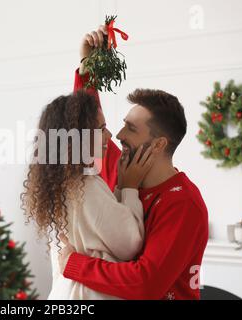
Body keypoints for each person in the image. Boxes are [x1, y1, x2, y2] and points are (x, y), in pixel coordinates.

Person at [56, 25, 209, 300]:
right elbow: (87, 129)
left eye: (131, 129)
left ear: (159, 144)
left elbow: (144, 284)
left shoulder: (183, 203)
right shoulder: (124, 170)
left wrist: (73, 264)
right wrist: (87, 66)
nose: (117, 135)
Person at [21, 91, 154, 299]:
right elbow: (130, 244)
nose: (109, 136)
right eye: (101, 129)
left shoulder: (59, 185)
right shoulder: (85, 185)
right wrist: (129, 187)